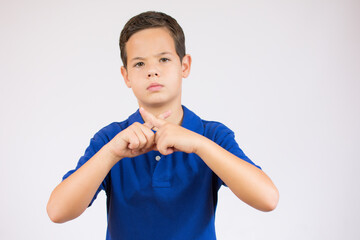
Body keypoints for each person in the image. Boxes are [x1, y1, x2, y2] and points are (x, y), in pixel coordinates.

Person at [47, 11, 279, 240]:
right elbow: (57, 211)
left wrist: (199, 144)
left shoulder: (211, 135)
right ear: (125, 75)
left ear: (185, 66)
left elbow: (268, 198)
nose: (152, 71)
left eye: (164, 59)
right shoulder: (111, 139)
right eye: (139, 63)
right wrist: (111, 154)